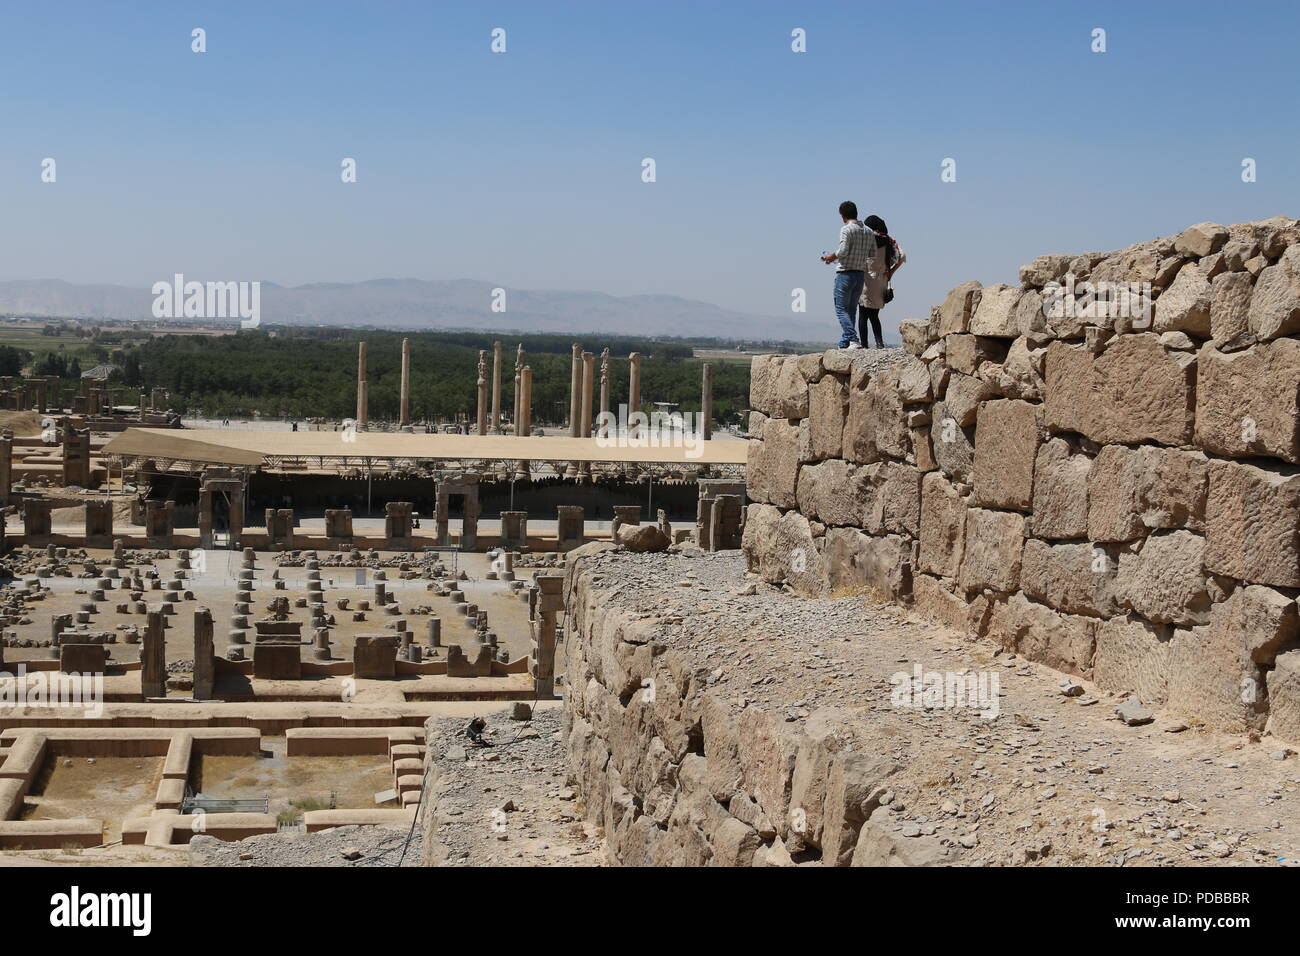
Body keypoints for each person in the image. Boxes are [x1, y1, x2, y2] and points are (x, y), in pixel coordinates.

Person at [821, 201, 876, 349]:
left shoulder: (846, 229)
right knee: (851, 310)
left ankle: (853, 339)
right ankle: (845, 342)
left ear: (842, 215)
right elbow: (873, 254)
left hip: (845, 273)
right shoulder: (869, 231)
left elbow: (843, 250)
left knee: (841, 309)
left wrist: (831, 257)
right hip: (859, 275)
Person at [858, 215, 906, 349]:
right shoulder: (888, 241)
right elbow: (902, 256)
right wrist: (891, 271)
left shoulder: (865, 240)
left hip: (866, 279)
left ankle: (864, 345)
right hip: (881, 280)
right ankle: (879, 343)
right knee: (874, 315)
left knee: (862, 314)